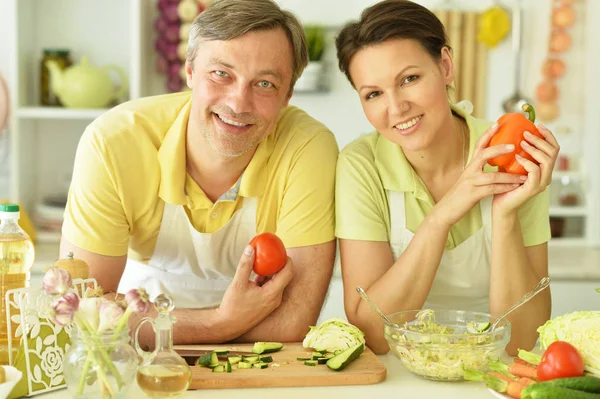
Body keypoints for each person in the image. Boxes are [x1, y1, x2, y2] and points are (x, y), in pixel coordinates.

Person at [59, 0, 338, 346]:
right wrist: (218, 324)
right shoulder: (114, 142)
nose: (238, 104)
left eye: (264, 84)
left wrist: (139, 325)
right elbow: (82, 311)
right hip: (140, 355)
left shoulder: (307, 148)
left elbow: (294, 320)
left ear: (287, 97)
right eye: (221, 74)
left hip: (251, 359)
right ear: (189, 72)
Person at [334, 0, 559, 355]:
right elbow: (374, 334)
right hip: (396, 376)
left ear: (446, 66)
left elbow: (521, 341)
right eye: (374, 94)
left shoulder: (511, 151)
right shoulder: (361, 166)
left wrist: (505, 215)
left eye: (409, 79)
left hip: (493, 376)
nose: (396, 108)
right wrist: (442, 216)